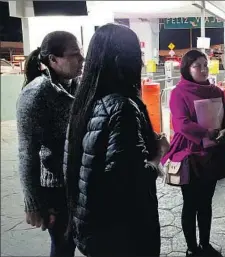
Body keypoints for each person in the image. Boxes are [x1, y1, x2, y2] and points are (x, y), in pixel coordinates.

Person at [64, 23, 161, 256]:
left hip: (92, 226)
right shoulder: (122, 107)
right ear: (121, 60)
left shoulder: (84, 102)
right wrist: (158, 155)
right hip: (124, 233)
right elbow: (131, 179)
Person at [16, 31, 83, 257]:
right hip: (55, 190)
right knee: (63, 247)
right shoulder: (36, 94)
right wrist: (34, 203)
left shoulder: (76, 85)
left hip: (78, 183)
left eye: (80, 53)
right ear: (53, 60)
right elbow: (27, 153)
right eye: (74, 55)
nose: (81, 59)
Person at [161, 49, 225, 257]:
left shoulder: (216, 91)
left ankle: (205, 244)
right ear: (186, 68)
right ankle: (192, 248)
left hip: (213, 152)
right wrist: (207, 132)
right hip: (190, 153)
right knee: (191, 202)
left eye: (205, 64)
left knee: (207, 202)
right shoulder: (179, 92)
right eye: (197, 65)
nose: (203, 69)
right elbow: (181, 123)